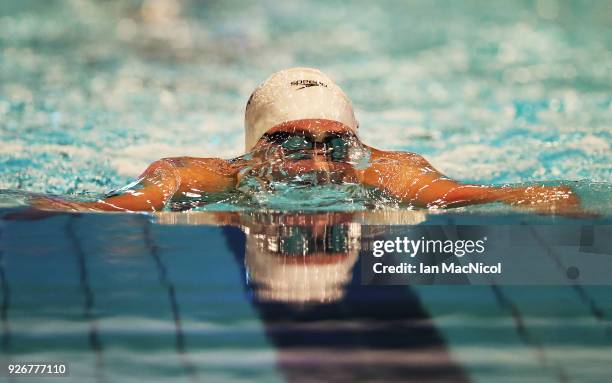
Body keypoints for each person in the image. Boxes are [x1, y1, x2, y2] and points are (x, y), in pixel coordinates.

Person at [33, 67, 580, 214]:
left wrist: (543, 198)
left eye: (335, 145)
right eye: (291, 145)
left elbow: (478, 195)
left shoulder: (389, 174)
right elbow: (120, 206)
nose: (317, 163)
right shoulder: (204, 177)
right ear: (254, 148)